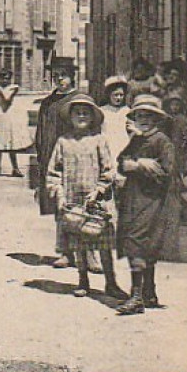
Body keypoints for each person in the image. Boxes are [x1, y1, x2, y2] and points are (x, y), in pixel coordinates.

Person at [46, 94, 125, 300]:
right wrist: (60, 195)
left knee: (103, 243)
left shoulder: (99, 140)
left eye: (85, 113)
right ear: (70, 117)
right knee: (78, 243)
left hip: (96, 199)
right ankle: (83, 280)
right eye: (77, 113)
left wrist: (99, 189)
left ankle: (111, 282)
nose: (81, 116)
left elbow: (108, 170)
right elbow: (54, 171)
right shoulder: (63, 142)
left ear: (92, 117)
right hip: (73, 199)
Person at [116, 94, 182, 315]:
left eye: (148, 116)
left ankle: (136, 296)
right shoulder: (137, 139)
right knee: (139, 239)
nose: (143, 119)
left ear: (157, 119)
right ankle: (149, 292)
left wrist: (140, 166)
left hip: (153, 199)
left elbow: (166, 172)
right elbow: (121, 163)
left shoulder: (162, 141)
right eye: (139, 115)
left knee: (139, 240)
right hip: (133, 198)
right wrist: (132, 164)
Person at [35, 59, 77, 265]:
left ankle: (89, 254)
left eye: (64, 74)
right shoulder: (47, 103)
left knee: (82, 206)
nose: (60, 79)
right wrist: (42, 161)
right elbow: (41, 134)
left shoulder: (80, 100)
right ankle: (66, 252)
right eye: (56, 75)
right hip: (52, 159)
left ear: (72, 76)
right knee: (60, 205)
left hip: (77, 160)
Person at [0, 68, 31, 176]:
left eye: (7, 78)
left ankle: (15, 168)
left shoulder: (14, 88)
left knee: (11, 144)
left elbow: (7, 100)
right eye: (2, 78)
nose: (4, 81)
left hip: (10, 116)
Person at [100, 75, 131, 164]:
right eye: (115, 95)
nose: (118, 98)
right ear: (109, 95)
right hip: (107, 144)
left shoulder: (127, 111)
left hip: (123, 144)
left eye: (121, 95)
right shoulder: (102, 111)